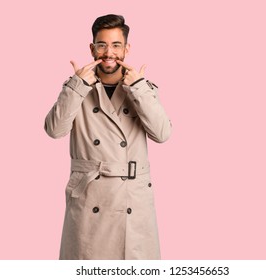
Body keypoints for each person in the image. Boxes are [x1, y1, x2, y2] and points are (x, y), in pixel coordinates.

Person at [44, 14, 171, 260]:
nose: (108, 53)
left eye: (116, 45)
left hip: (132, 201)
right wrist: (77, 85)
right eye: (102, 45)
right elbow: (54, 130)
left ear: (126, 49)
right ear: (92, 49)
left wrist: (140, 88)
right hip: (90, 196)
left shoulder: (142, 88)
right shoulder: (77, 88)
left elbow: (162, 133)